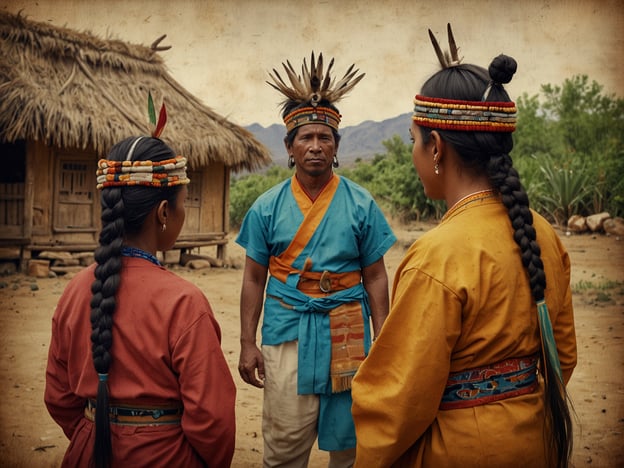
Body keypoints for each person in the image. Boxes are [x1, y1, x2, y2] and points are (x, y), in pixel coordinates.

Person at [351, 24, 577, 468]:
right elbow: (562, 355)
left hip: (461, 451)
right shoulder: (542, 233)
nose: (414, 153)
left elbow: (399, 398)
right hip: (536, 439)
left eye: (413, 141)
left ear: (436, 147)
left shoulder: (438, 255)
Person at [236, 52, 397, 467]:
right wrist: (246, 342)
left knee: (350, 444)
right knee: (286, 442)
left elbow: (376, 276)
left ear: (337, 147)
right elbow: (254, 279)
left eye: (324, 138)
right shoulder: (266, 207)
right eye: (305, 138)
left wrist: (384, 339)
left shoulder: (361, 204)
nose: (315, 146)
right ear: (289, 147)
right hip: (287, 329)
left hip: (348, 331)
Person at [44, 135, 237, 468]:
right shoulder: (184, 302)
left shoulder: (74, 290)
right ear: (164, 212)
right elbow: (213, 421)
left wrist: (94, 431)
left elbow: (58, 397)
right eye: (183, 203)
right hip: (164, 457)